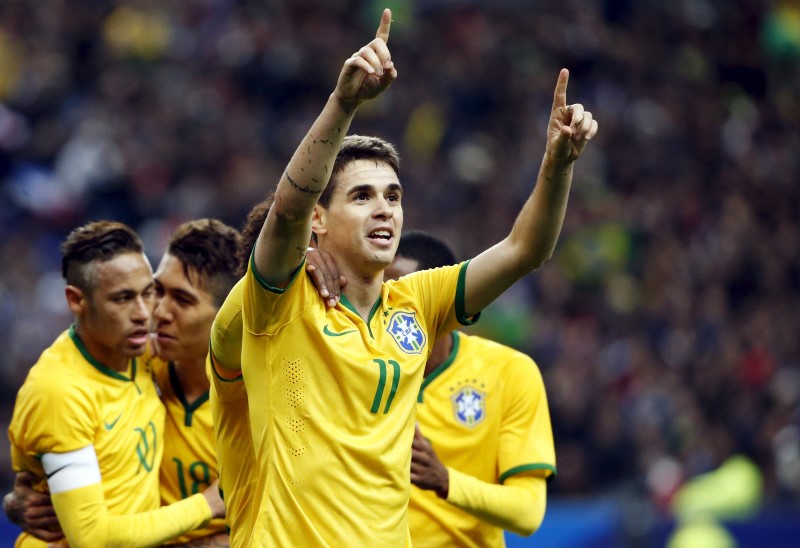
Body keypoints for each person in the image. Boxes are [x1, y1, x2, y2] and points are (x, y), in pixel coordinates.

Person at [210, 5, 597, 545]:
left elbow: (525, 249)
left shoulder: (416, 302)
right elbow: (287, 210)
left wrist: (558, 164)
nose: (385, 209)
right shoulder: (278, 303)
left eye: (393, 196)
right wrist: (344, 103)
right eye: (362, 196)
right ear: (319, 220)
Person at [4, 215, 343, 547]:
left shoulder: (266, 406)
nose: (156, 312)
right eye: (157, 290)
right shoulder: (136, 360)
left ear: (228, 315)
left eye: (182, 300)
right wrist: (32, 489)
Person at [6, 220, 224, 547]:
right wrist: (208, 504)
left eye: (147, 293)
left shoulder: (142, 355)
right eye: (123, 299)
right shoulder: (61, 391)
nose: (146, 313)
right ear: (76, 301)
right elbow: (92, 538)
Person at [385, 230, 556, 547]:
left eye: (404, 293)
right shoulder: (355, 370)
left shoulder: (507, 372)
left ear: (444, 301)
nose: (389, 306)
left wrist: (446, 481)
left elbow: (528, 512)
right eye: (382, 293)